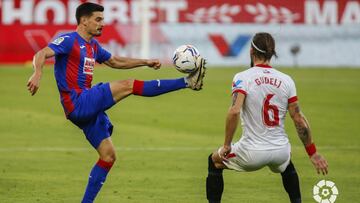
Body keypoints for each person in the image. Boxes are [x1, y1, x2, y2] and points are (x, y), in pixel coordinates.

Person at [26, 2, 206, 203]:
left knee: (108, 156)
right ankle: (187, 82)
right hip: (78, 101)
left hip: (86, 107)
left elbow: (115, 62)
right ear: (84, 21)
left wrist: (144, 62)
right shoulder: (69, 40)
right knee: (128, 85)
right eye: (98, 19)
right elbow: (40, 54)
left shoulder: (93, 46)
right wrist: (38, 73)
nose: (102, 24)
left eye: (103, 19)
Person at [205, 32, 328, 203]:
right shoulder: (287, 80)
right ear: (272, 53)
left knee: (214, 161)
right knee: (286, 165)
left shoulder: (242, 78)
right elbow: (298, 119)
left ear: (251, 51)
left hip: (252, 152)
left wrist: (226, 145)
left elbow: (234, 111)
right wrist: (312, 153)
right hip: (280, 151)